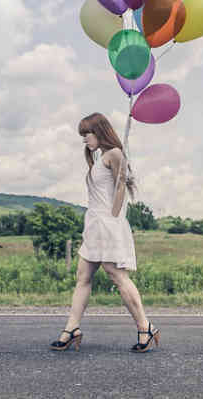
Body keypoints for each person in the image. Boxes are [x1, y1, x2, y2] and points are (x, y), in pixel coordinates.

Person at [50, 112, 160, 353]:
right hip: (94, 224)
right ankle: (72, 328)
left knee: (116, 275)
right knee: (83, 276)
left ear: (99, 131)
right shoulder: (100, 158)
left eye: (86, 134)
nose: (84, 139)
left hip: (108, 223)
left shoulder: (114, 154)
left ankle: (145, 327)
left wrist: (113, 219)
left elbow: (120, 187)